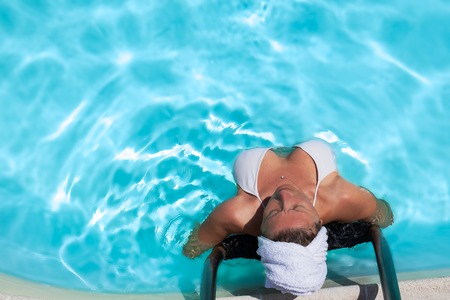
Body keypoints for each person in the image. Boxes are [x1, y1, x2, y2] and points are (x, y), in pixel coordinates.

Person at [182, 139, 394, 295]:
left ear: (260, 231)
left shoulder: (239, 214)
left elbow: (193, 246)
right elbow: (384, 215)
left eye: (273, 211)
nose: (284, 195)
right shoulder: (343, 198)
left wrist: (188, 259)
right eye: (298, 208)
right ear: (319, 221)